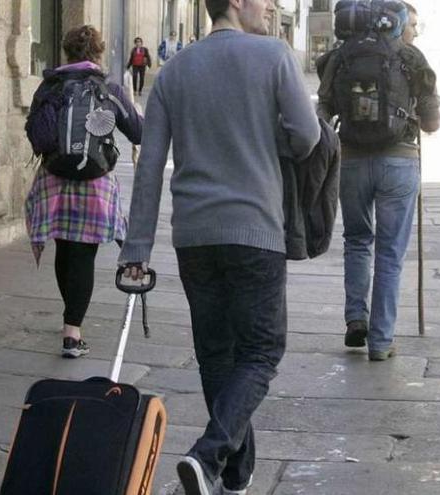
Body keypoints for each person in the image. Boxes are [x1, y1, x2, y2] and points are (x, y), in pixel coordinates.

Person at [119, 0, 320, 493]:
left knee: (216, 356)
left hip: (194, 235)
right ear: (236, 2)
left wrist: (137, 246)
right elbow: (308, 136)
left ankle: (233, 474)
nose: (272, 5)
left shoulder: (174, 71)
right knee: (261, 351)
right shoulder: (274, 57)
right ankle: (209, 456)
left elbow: (150, 165)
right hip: (255, 230)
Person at [317, 0, 440, 361]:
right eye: (414, 25)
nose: (415, 32)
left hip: (351, 162)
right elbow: (432, 124)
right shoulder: (412, 58)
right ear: (400, 24)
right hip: (399, 163)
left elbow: (323, 109)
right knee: (389, 253)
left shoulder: (341, 56)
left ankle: (356, 317)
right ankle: (381, 340)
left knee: (357, 240)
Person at [25, 25, 143, 359]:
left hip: (54, 180)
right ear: (98, 52)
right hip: (94, 182)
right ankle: (72, 332)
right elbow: (137, 132)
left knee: (65, 248)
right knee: (83, 255)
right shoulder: (109, 88)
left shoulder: (49, 86)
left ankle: (70, 318)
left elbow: (36, 133)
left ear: (66, 52)